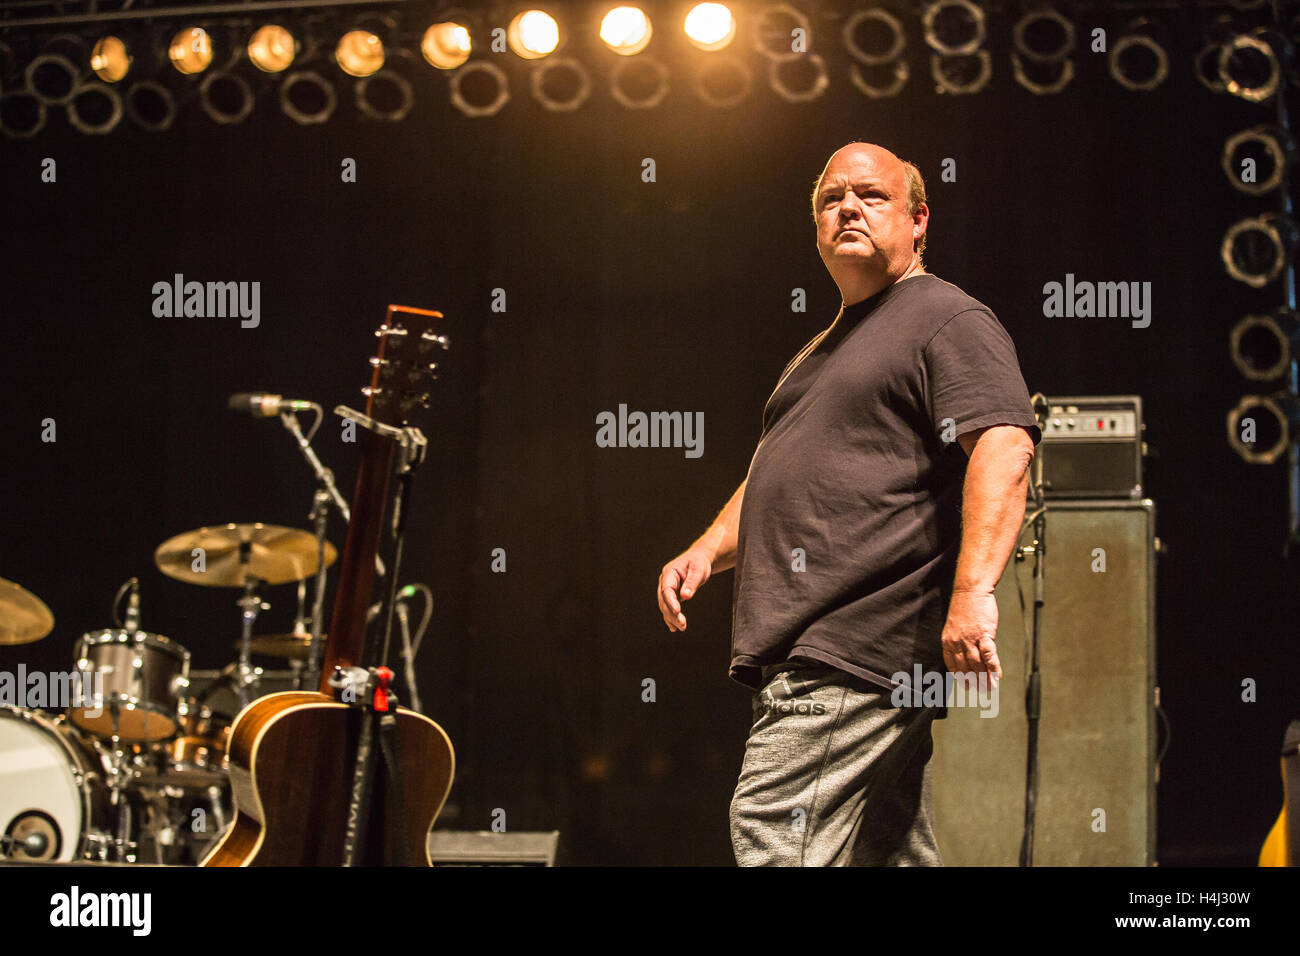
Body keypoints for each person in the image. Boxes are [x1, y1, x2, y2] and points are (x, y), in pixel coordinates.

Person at [656, 142, 1041, 866]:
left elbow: (1005, 444)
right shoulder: (822, 350)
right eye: (832, 199)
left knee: (775, 828)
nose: (848, 208)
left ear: (919, 219)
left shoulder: (944, 317)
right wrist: (708, 548)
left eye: (871, 196)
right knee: (887, 851)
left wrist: (973, 594)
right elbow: (781, 474)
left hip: (856, 643)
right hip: (846, 652)